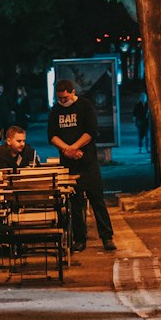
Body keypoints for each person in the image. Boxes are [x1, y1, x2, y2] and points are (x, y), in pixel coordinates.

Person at [48, 78, 116, 252]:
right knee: (75, 203)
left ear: (72, 93)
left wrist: (75, 147)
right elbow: (52, 136)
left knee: (97, 200)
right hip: (68, 163)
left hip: (88, 162)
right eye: (59, 98)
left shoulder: (85, 106)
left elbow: (91, 132)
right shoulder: (55, 111)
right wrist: (67, 150)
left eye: (65, 98)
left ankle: (107, 237)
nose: (62, 101)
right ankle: (80, 239)